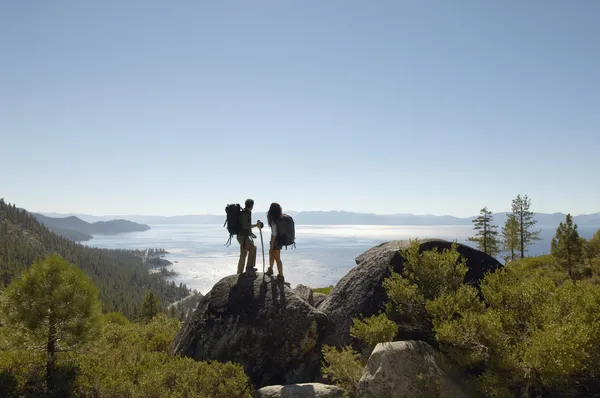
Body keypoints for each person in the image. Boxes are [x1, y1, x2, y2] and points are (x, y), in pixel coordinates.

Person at [237, 199, 261, 275]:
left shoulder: (244, 212)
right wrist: (256, 225)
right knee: (253, 248)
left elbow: (245, 226)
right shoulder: (246, 213)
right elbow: (246, 226)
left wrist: (250, 233)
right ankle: (249, 267)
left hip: (242, 236)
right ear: (252, 206)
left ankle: (239, 272)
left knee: (243, 254)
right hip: (243, 237)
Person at [266, 202, 284, 280]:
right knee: (272, 255)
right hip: (280, 240)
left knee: (276, 258)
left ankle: (281, 275)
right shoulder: (280, 218)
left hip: (275, 240)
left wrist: (272, 244)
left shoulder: (274, 219)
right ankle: (270, 269)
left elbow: (274, 233)